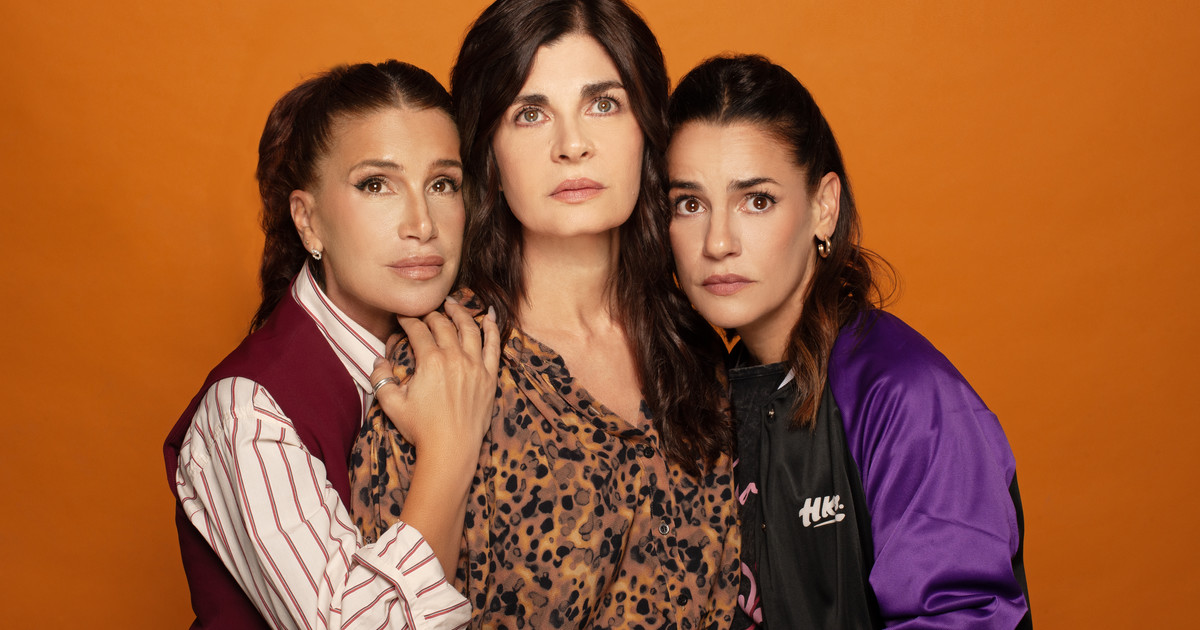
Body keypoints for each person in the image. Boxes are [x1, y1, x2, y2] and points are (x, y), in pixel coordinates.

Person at [349, 1, 740, 627]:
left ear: (647, 130)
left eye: (603, 104)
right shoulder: (442, 361)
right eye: (530, 114)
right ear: (490, 153)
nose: (572, 145)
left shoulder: (696, 349)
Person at [665, 54, 1033, 629]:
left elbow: (963, 616)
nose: (717, 242)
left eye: (756, 200)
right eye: (690, 204)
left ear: (823, 207)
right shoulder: (707, 395)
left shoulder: (908, 397)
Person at [163, 60, 499, 629]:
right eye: (376, 185)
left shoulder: (474, 348)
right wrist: (449, 448)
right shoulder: (248, 408)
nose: (422, 224)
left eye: (442, 184)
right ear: (309, 221)